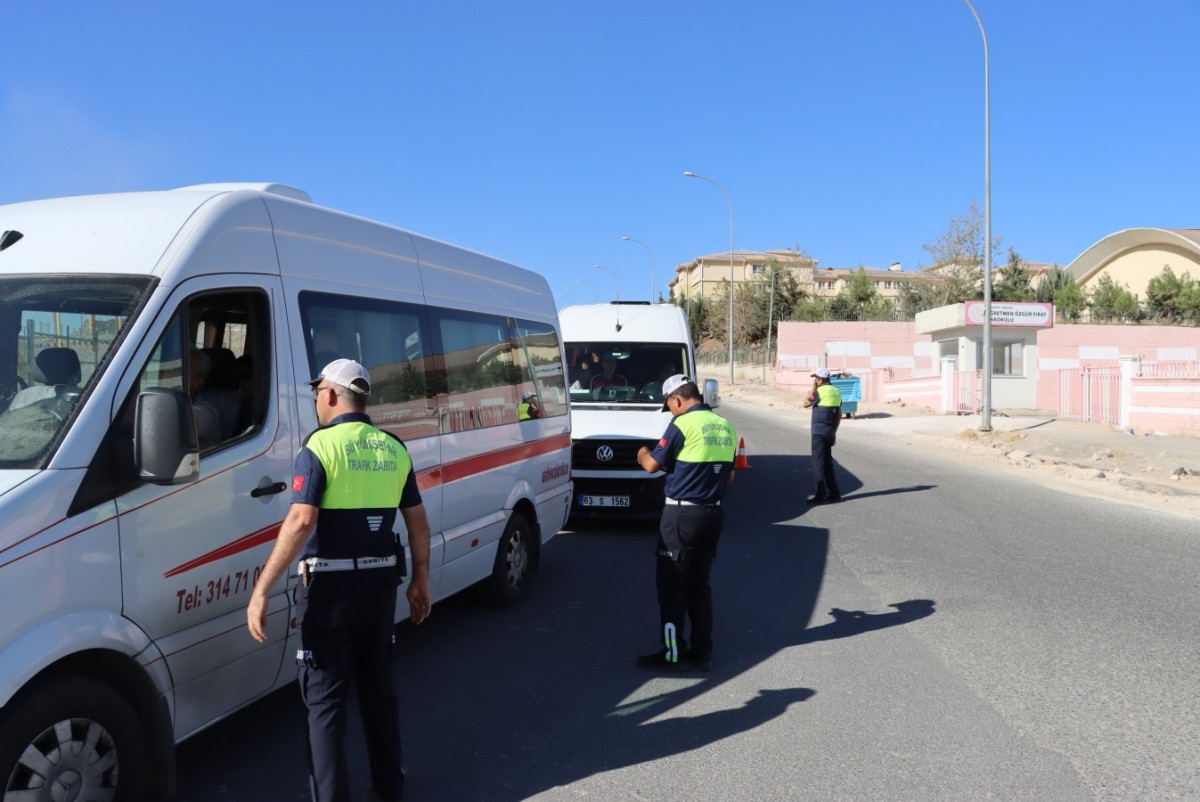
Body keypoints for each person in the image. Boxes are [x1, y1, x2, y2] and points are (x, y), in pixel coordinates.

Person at [247, 358, 432, 802]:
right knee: (378, 691)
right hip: (380, 588)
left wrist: (262, 588)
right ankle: (389, 788)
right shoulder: (393, 447)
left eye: (317, 392)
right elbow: (418, 523)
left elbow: (300, 520)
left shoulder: (319, 447)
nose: (316, 400)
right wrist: (421, 579)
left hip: (329, 591)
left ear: (330, 394)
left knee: (325, 703)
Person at [635, 374, 737, 672]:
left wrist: (642, 452)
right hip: (712, 515)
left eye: (670, 406)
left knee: (671, 586)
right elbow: (729, 476)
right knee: (699, 585)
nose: (671, 412)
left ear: (677, 399)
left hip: (681, 517)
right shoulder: (725, 426)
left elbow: (653, 464)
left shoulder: (682, 424)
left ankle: (671, 653)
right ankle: (702, 652)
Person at [803, 367, 842, 504]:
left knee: (819, 463)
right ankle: (834, 493)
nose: (815, 381)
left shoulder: (819, 391)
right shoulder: (836, 392)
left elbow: (806, 403)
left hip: (818, 432)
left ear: (820, 379)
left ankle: (820, 494)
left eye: (816, 379)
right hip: (830, 432)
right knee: (827, 463)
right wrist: (834, 432)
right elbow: (839, 414)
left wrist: (812, 388)